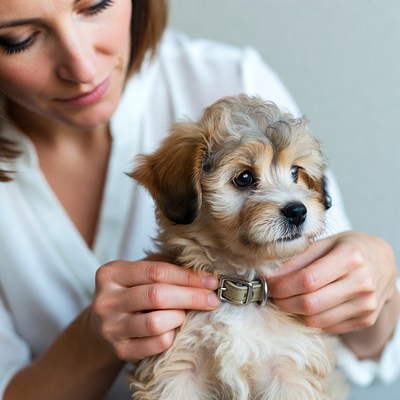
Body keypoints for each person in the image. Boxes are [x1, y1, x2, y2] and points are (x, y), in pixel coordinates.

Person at [0, 1, 399, 399]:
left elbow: (368, 343)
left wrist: (378, 275)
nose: (82, 68)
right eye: (19, 39)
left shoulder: (234, 73)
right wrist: (93, 338)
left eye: (95, 5)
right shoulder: (183, 158)